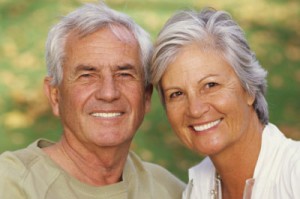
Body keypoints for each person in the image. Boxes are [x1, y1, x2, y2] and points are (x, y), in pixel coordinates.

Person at [0, 2, 185, 198]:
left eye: (124, 74)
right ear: (55, 96)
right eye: (87, 75)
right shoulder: (12, 182)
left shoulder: (170, 190)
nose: (108, 93)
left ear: (146, 96)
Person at [151, 7, 300, 199]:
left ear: (249, 89)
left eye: (210, 85)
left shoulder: (295, 174)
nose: (195, 109)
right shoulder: (197, 190)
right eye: (177, 93)